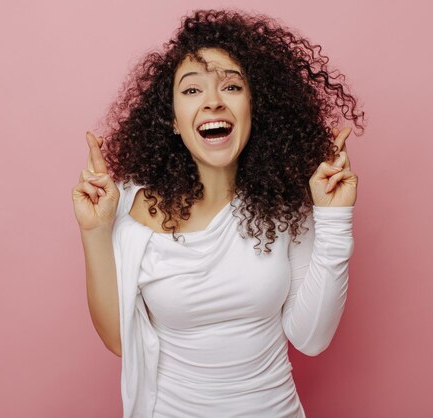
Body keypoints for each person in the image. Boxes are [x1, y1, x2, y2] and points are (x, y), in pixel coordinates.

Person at [72, 9, 364, 418]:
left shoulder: (283, 205)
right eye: (192, 91)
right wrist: (95, 231)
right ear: (173, 121)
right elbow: (122, 341)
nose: (212, 101)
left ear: (253, 108)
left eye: (231, 86)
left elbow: (311, 338)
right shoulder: (130, 208)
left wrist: (334, 220)